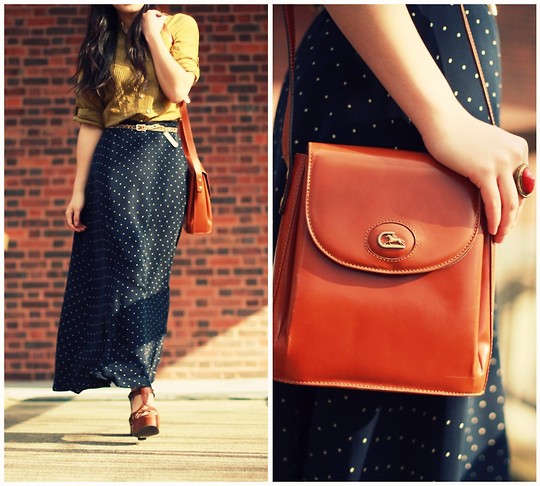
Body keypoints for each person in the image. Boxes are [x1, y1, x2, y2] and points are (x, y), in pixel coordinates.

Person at [273, 5, 532, 481]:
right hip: (400, 79)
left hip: (432, 76)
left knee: (439, 359)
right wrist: (443, 118)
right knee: (347, 365)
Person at [53, 4, 199, 440]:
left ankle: (139, 382)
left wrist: (154, 37)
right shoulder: (98, 38)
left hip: (162, 160)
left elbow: (177, 89)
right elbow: (90, 121)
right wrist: (78, 190)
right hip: (112, 162)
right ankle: (142, 394)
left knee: (150, 273)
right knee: (122, 270)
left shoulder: (178, 25)